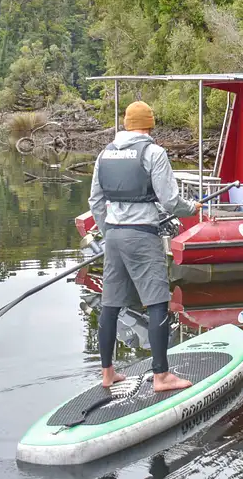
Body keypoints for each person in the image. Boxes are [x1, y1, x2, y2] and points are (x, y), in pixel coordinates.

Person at [88, 101, 199, 392]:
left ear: (126, 124)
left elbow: (95, 202)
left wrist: (108, 230)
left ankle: (108, 374)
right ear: (149, 125)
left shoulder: (105, 154)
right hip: (142, 235)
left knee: (110, 305)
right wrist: (192, 207)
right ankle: (162, 376)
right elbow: (170, 201)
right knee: (157, 303)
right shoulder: (154, 153)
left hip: (112, 236)